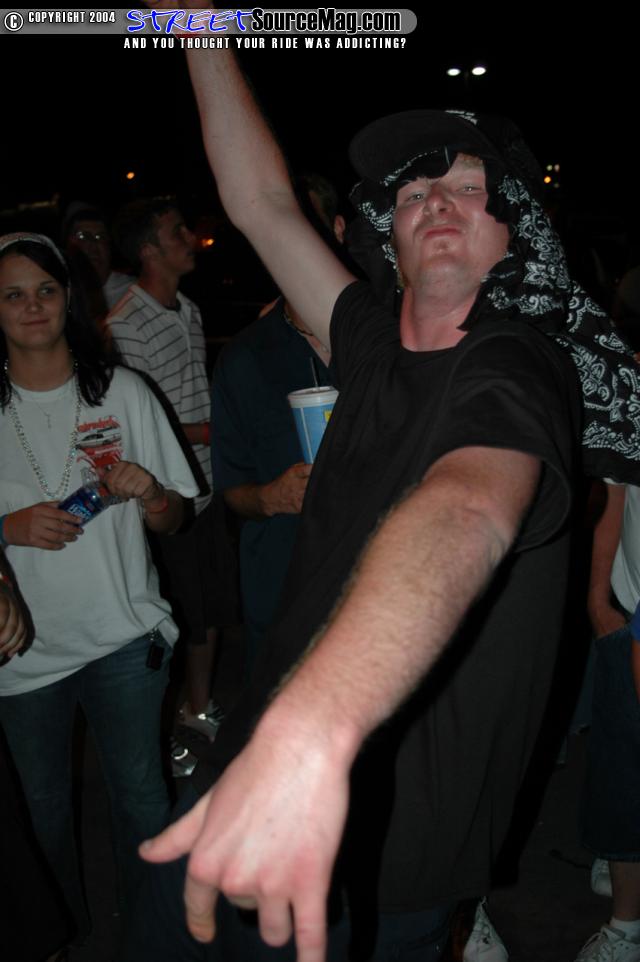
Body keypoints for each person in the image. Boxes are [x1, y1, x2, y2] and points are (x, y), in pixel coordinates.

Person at [124, 39, 640, 962]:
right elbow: (262, 202)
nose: (436, 199)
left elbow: (468, 508)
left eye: (468, 188)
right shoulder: (365, 343)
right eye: (413, 194)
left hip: (381, 849)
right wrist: (199, 26)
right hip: (250, 773)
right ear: (388, 241)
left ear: (513, 235)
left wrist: (313, 732)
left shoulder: (519, 361)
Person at [0, 232, 198, 941]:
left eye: (45, 290)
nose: (32, 307)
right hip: (23, 656)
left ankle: (156, 942)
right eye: (13, 295)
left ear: (70, 300)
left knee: (142, 801)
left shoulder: (122, 391)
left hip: (124, 638)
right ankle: (57, 942)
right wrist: (8, 527)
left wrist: (154, 497)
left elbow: (177, 518)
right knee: (41, 814)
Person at [107, 200, 228, 766]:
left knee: (213, 605)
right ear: (148, 251)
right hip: (167, 493)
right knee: (181, 613)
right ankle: (172, 725)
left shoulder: (189, 310)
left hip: (208, 481)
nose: (189, 237)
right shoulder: (125, 322)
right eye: (175, 232)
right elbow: (140, 421)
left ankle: (198, 708)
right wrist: (214, 431)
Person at [211, 174, 343, 676]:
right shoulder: (244, 359)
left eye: (305, 227)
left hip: (384, 592)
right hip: (285, 595)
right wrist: (272, 498)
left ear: (338, 230)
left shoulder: (394, 337)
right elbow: (233, 491)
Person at [577, 480, 640, 962]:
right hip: (629, 603)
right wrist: (598, 599)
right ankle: (627, 923)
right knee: (620, 770)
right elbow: (616, 489)